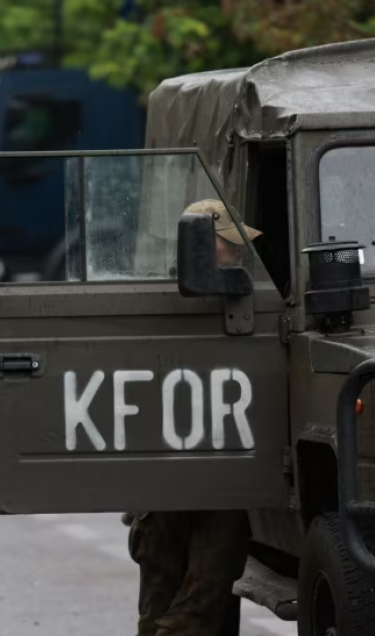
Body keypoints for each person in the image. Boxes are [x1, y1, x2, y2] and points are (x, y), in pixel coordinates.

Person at [128, 199, 262, 636]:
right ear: (201, 245)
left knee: (211, 596)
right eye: (227, 243)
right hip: (166, 469)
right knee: (166, 598)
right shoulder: (157, 298)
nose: (238, 251)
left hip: (221, 466)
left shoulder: (243, 293)